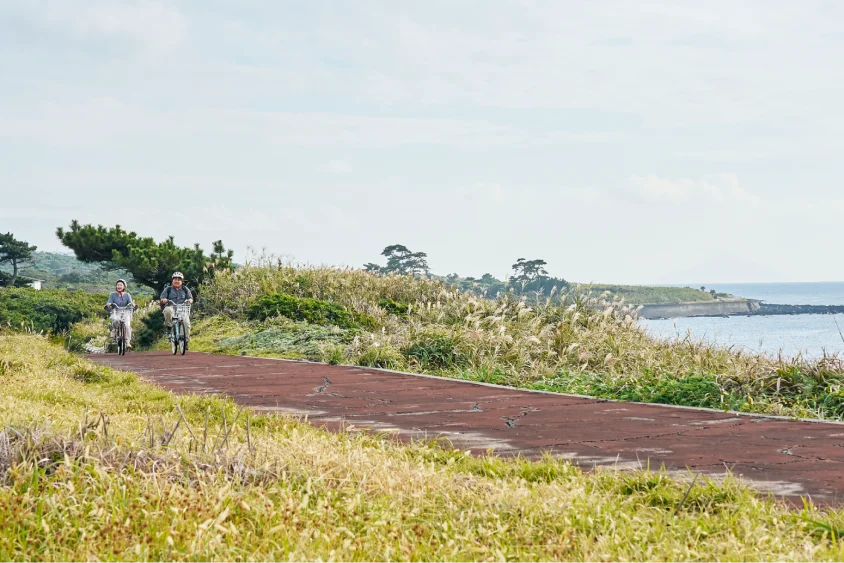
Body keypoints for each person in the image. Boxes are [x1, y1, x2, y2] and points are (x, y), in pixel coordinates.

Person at [160, 271, 194, 347]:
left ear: (182, 281)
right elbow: (162, 298)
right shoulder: (168, 289)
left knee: (186, 323)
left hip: (182, 309)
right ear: (172, 281)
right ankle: (169, 328)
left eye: (179, 279)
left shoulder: (185, 289)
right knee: (168, 311)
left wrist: (190, 300)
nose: (177, 281)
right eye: (175, 279)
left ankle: (185, 341)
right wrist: (164, 300)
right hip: (171, 307)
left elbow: (190, 298)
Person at [105, 279, 136, 347]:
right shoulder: (112, 295)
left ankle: (127, 342)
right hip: (116, 311)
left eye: (121, 285)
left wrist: (133, 305)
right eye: (118, 285)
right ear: (116, 286)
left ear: (124, 287)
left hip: (126, 312)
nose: (119, 286)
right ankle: (114, 334)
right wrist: (109, 304)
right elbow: (108, 302)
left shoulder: (127, 295)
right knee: (116, 321)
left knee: (127, 326)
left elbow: (131, 303)